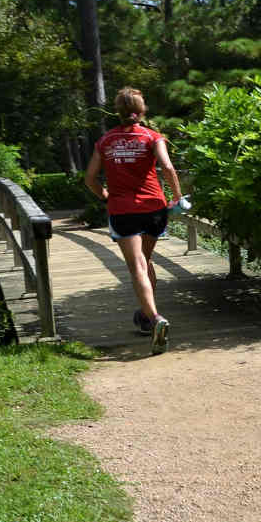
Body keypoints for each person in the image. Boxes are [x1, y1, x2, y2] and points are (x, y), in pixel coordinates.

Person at [85, 87, 184, 355]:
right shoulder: (153, 137)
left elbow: (90, 178)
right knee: (146, 261)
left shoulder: (105, 141)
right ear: (142, 111)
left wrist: (106, 197)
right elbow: (168, 167)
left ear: (117, 112)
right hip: (154, 208)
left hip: (123, 210)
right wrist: (176, 197)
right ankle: (145, 315)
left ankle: (155, 320)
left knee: (138, 266)